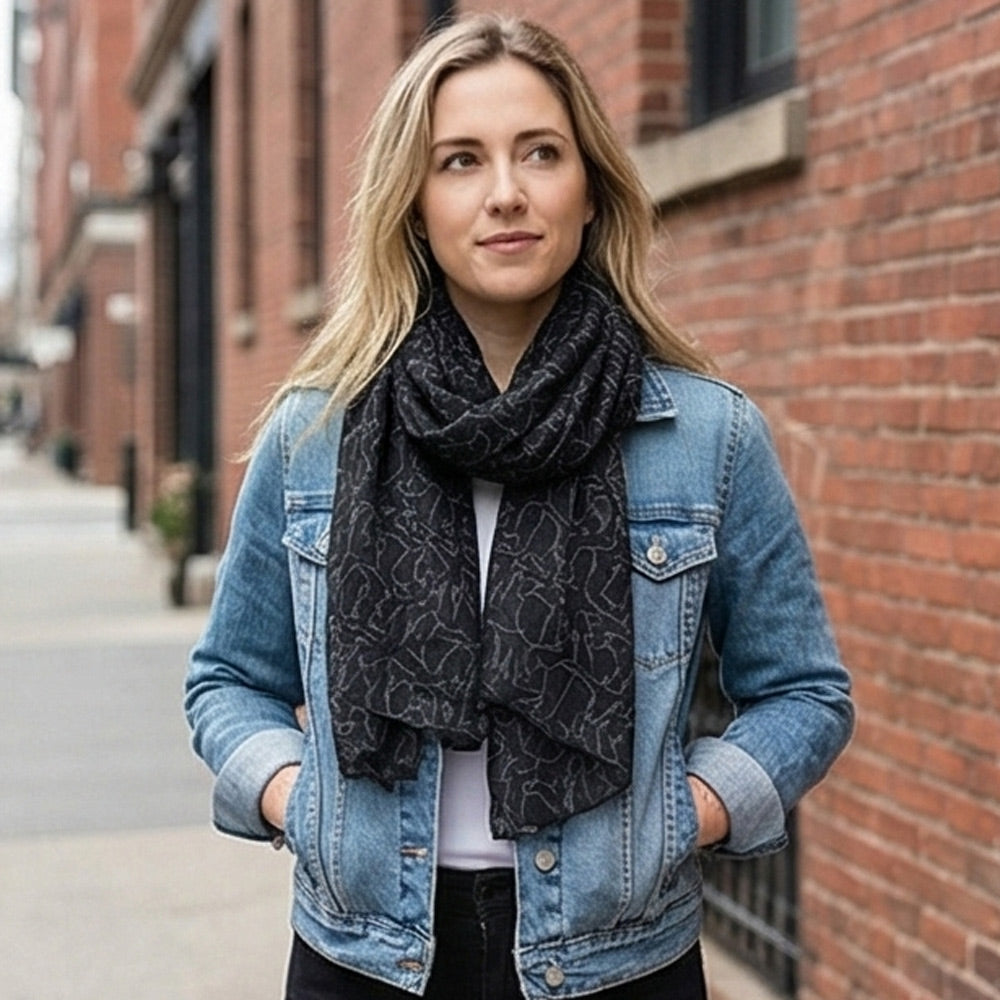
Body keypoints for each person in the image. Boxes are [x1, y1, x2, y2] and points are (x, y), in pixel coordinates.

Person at [185, 13, 853, 1000]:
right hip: (361, 958)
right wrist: (302, 802)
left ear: (591, 190)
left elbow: (804, 691)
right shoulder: (314, 433)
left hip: (620, 964)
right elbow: (230, 680)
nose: (506, 192)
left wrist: (690, 812)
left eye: (540, 152)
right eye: (460, 160)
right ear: (415, 206)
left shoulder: (706, 436)